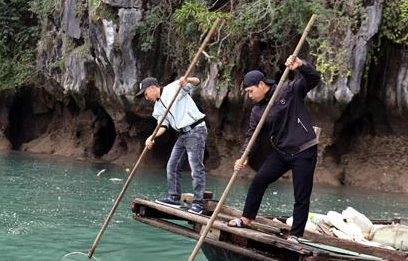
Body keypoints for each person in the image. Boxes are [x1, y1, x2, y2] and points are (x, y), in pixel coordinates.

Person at [229, 56, 320, 241]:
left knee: (301, 194)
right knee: (258, 181)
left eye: (251, 91)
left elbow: (313, 79)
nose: (249, 95)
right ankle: (246, 219)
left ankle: (296, 235)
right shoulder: (257, 111)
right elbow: (252, 136)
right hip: (281, 153)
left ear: (262, 84)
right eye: (247, 92)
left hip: (304, 149)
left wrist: (301, 66)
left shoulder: (287, 90)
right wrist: (243, 156)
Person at [136, 76, 207, 214]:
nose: (145, 98)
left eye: (145, 94)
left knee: (196, 167)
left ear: (152, 88)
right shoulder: (157, 108)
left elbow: (197, 82)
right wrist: (152, 136)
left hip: (196, 130)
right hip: (183, 134)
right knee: (172, 166)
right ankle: (174, 198)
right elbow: (163, 124)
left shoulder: (174, 87)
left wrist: (187, 80)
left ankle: (198, 204)